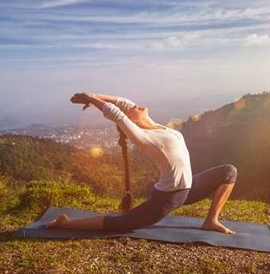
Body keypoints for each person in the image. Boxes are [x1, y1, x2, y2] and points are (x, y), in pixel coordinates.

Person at [46, 92, 238, 234]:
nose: (136, 106)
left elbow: (122, 103)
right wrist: (91, 98)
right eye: (133, 110)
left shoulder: (158, 127)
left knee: (229, 172)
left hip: (188, 189)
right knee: (120, 224)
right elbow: (117, 114)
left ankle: (211, 220)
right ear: (132, 121)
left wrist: (95, 95)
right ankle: (66, 223)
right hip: (168, 197)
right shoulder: (144, 137)